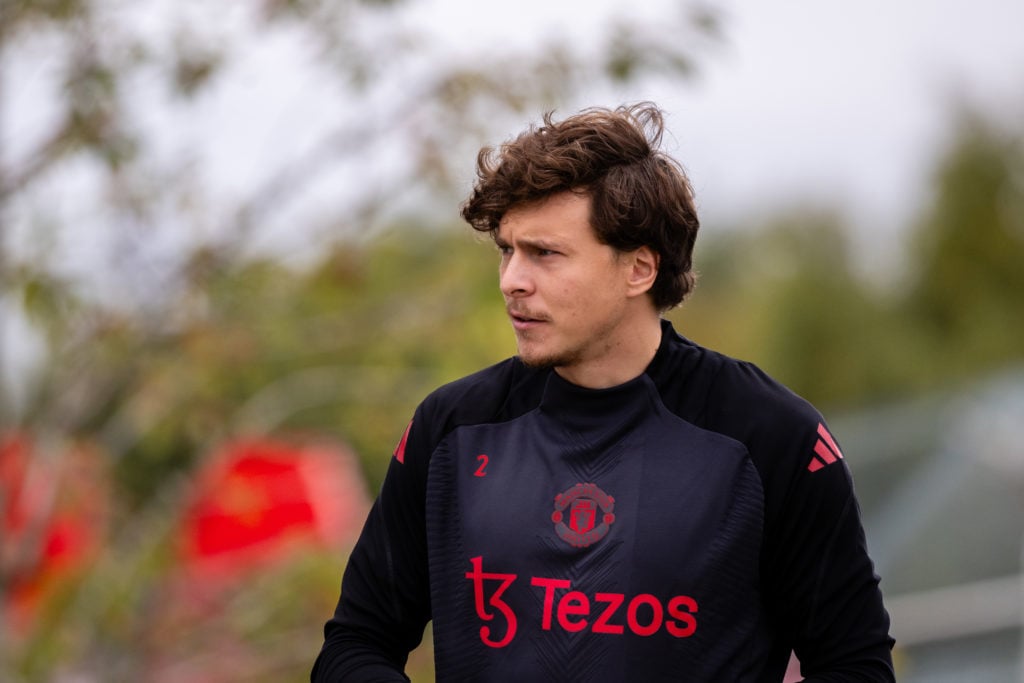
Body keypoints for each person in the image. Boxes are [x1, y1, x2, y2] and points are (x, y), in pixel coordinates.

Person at [312, 103, 895, 682]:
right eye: (507, 250)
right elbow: (355, 646)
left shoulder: (770, 434)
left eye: (545, 253)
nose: (513, 279)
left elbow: (855, 667)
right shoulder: (452, 428)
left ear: (638, 269)